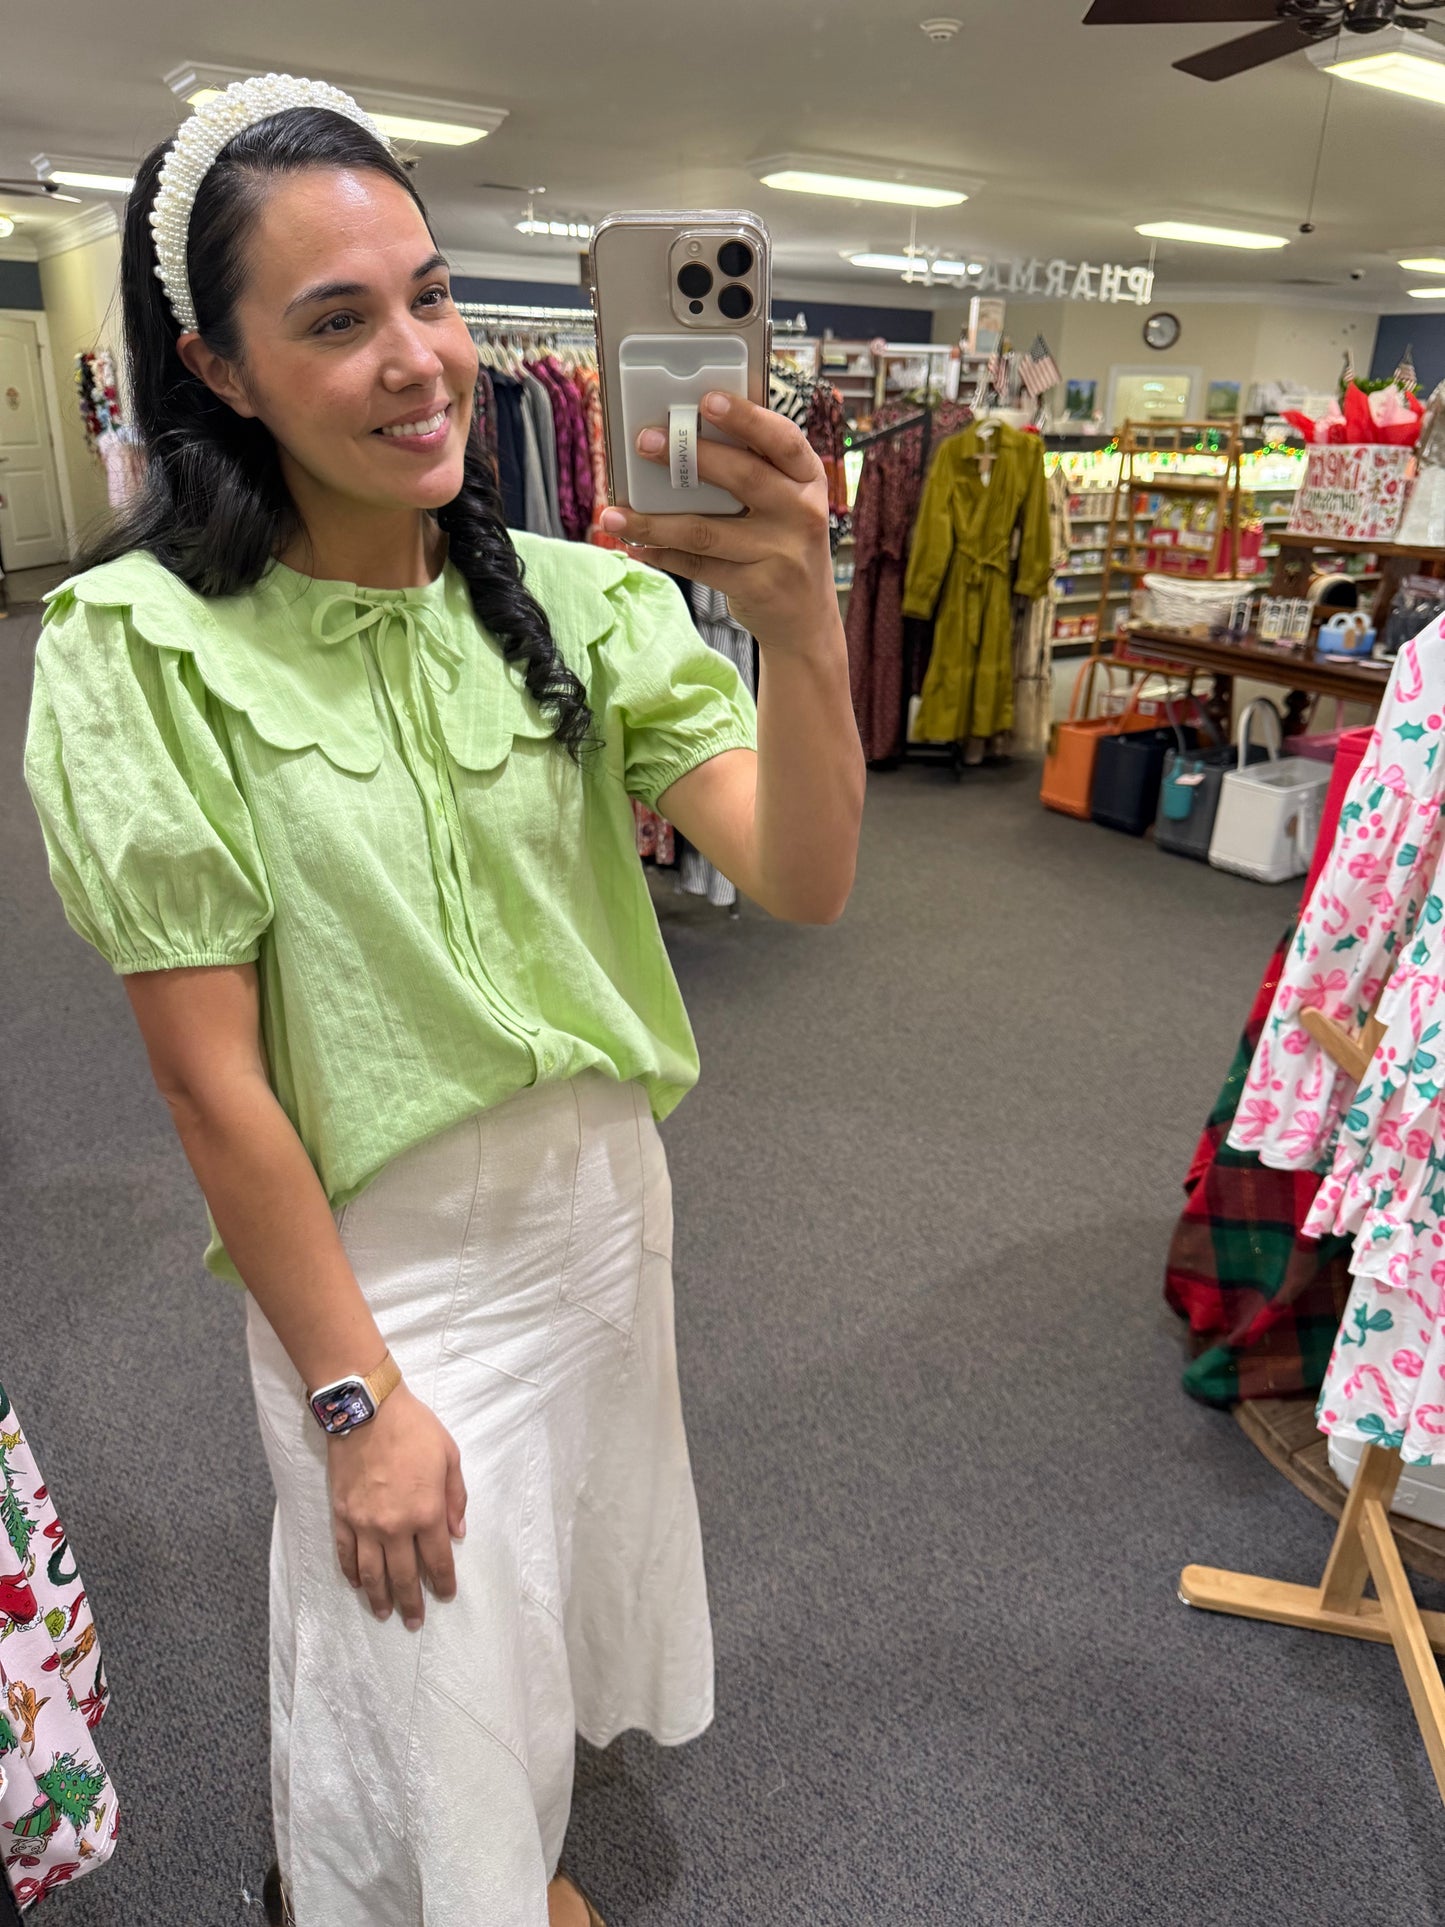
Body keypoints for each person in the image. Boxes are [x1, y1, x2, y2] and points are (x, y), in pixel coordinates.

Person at [20, 72, 864, 1927]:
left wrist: (803, 627)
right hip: (383, 1285)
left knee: (532, 1636)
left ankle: (505, 1872)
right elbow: (211, 1094)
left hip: (598, 1223)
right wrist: (350, 1401)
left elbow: (800, 875)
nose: (421, 360)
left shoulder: (577, 600)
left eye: (429, 293)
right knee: (408, 1676)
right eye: (337, 320)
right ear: (218, 371)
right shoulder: (137, 659)